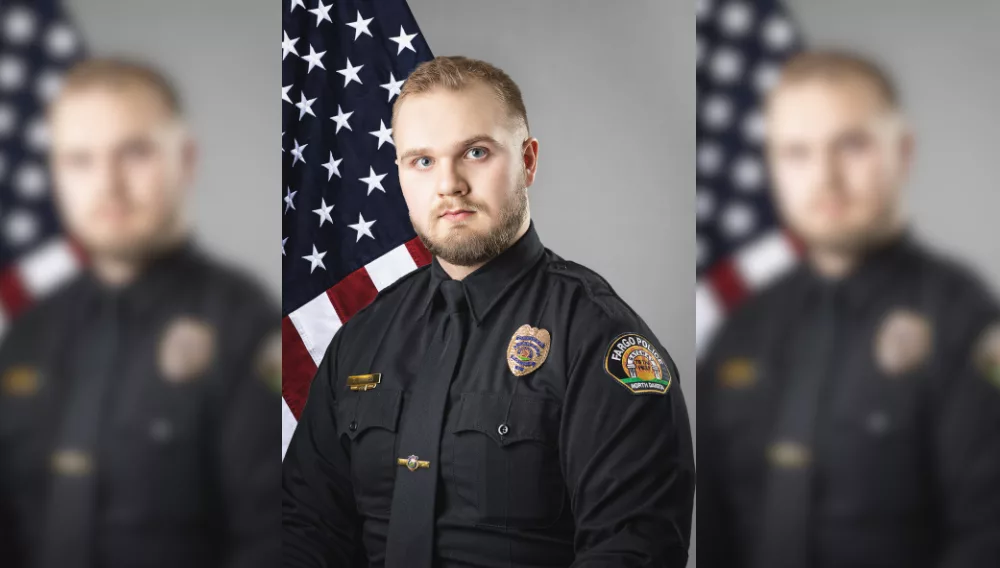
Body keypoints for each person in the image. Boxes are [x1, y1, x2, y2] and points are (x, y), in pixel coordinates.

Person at [282, 56, 695, 567]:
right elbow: (306, 530)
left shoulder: (597, 337)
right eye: (422, 160)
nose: (449, 183)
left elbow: (634, 550)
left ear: (528, 160)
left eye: (475, 152)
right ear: (401, 175)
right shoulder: (363, 338)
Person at [698, 50, 1000, 568]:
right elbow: (710, 530)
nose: (825, 177)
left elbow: (988, 538)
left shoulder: (963, 321)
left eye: (852, 145)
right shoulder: (742, 331)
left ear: (902, 153)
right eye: (796, 152)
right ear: (772, 166)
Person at [0, 59, 280, 568]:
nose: (108, 183)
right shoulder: (28, 335)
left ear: (187, 159)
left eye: (134, 153)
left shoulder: (245, 328)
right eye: (79, 160)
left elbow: (269, 544)